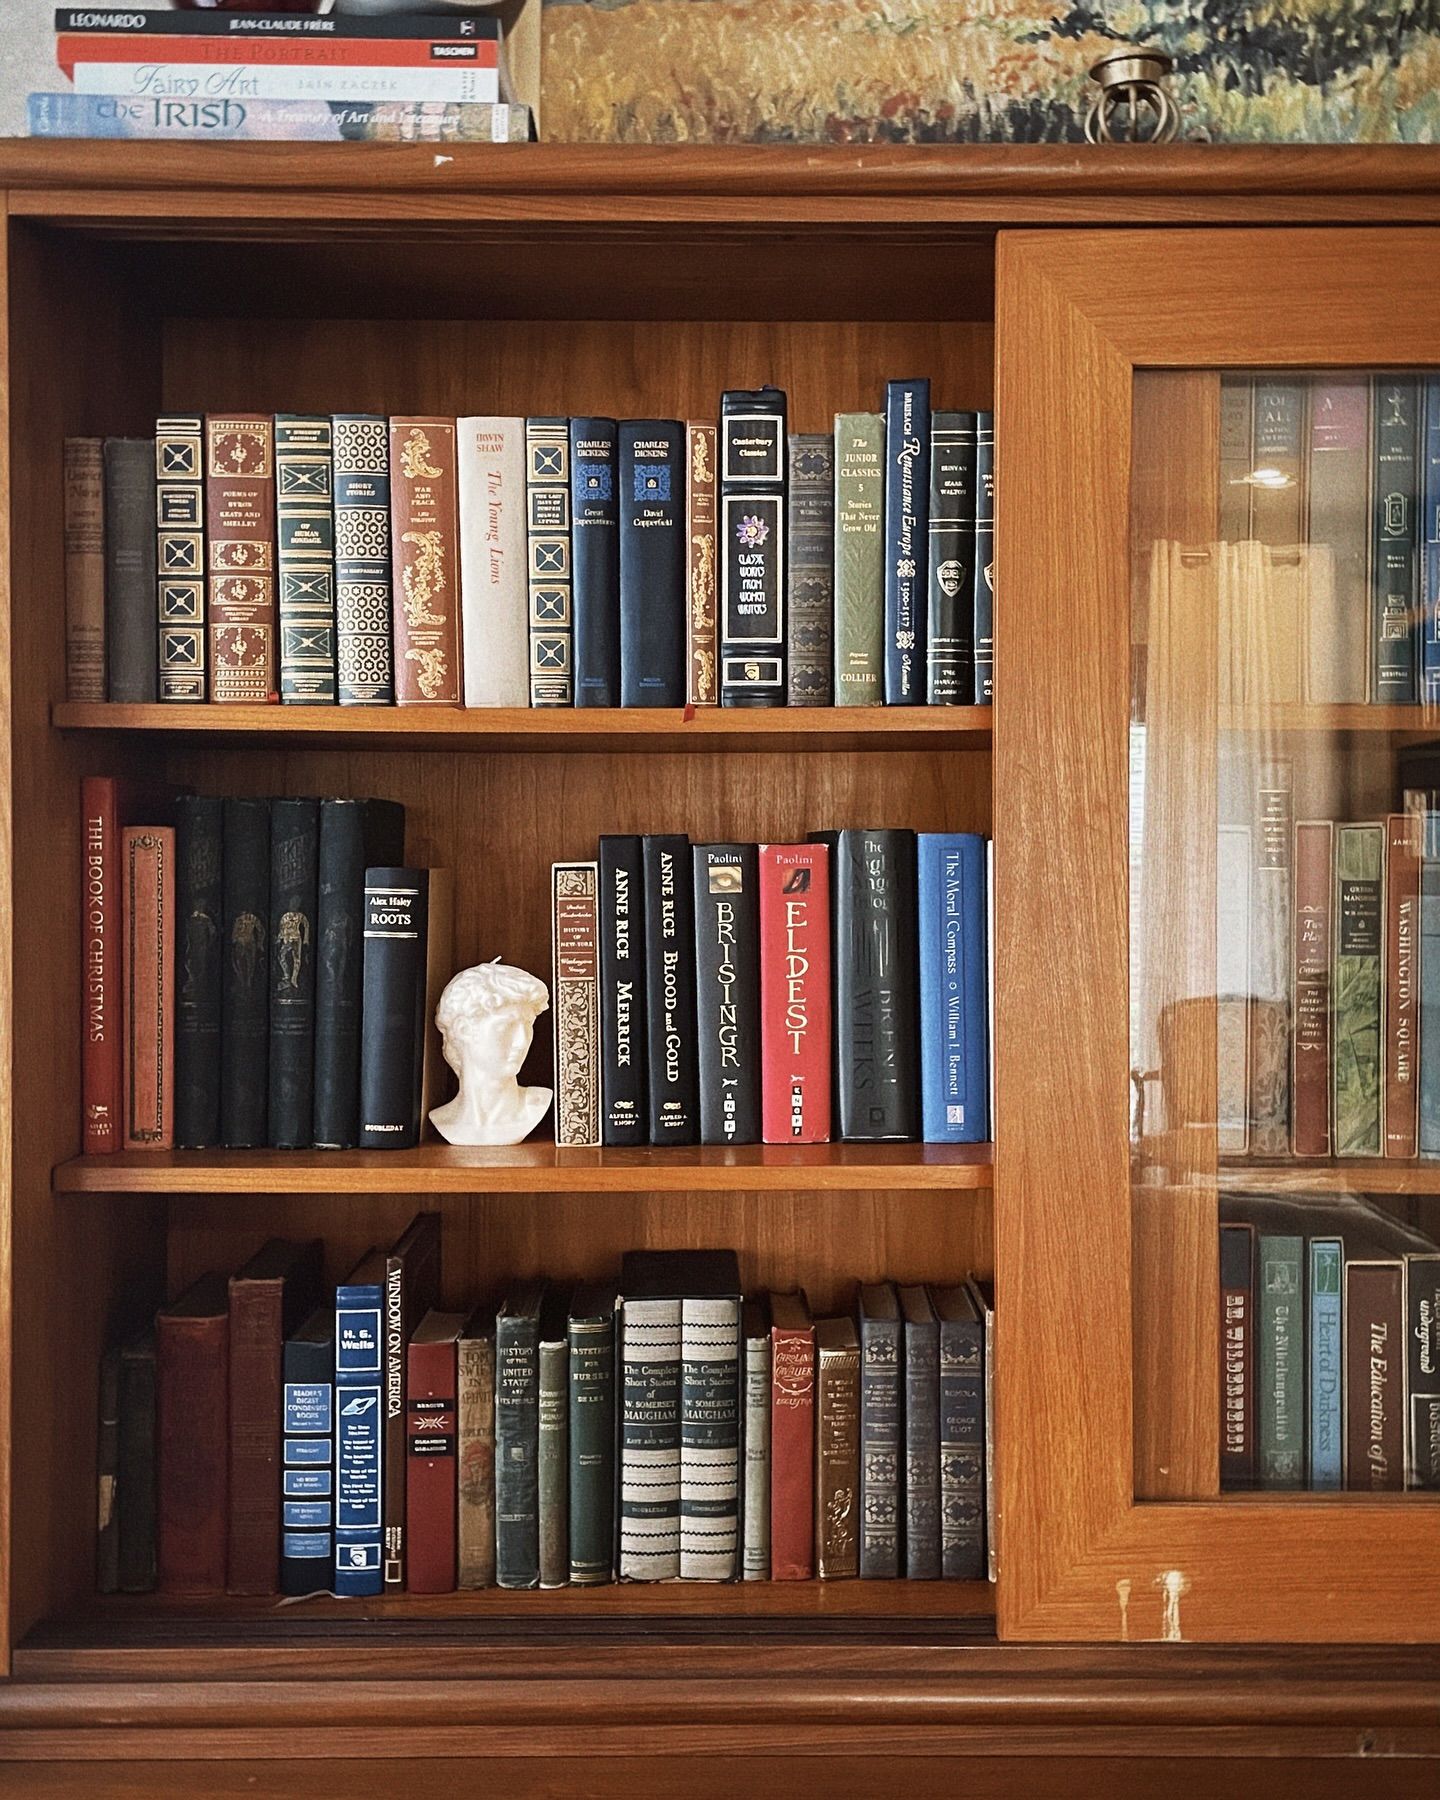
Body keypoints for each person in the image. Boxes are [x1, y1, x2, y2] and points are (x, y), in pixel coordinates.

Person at [429, 958, 552, 1145]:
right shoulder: (443, 1120)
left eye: (528, 1025)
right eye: (506, 1027)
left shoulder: (536, 1106)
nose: (522, 1041)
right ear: (464, 1030)